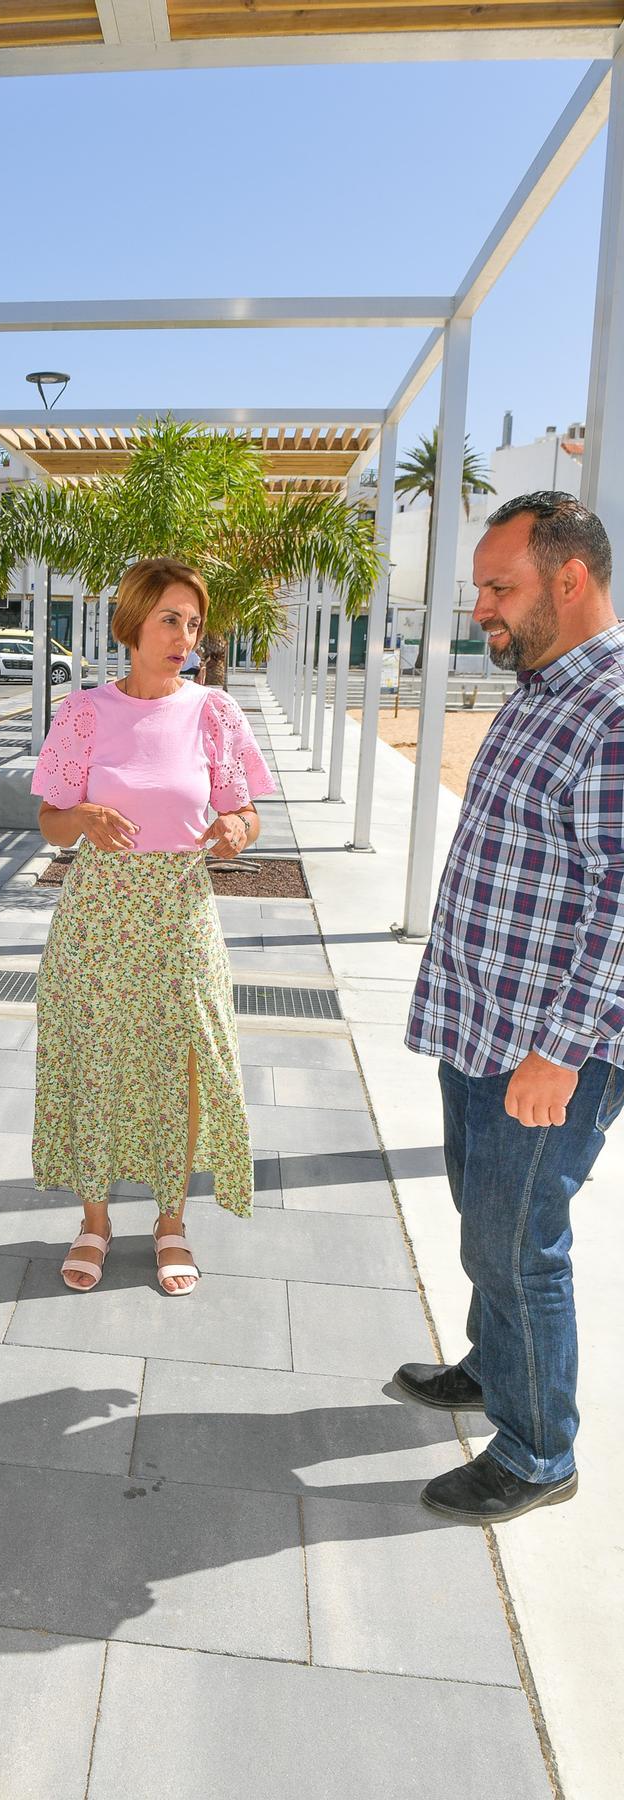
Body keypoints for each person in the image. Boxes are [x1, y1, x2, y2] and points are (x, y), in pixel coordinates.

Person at [397, 491, 624, 1524]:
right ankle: (497, 1367)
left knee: (518, 1235)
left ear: (570, 580)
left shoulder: (614, 708)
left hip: (550, 1046)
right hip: (485, 1023)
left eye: (501, 587)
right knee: (483, 1217)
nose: (482, 607)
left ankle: (539, 1453)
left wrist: (562, 1052)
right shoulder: (540, 687)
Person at [30, 557, 275, 1295]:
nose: (185, 638)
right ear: (131, 622)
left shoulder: (214, 712)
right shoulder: (82, 713)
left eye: (194, 624)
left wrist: (237, 828)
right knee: (94, 1058)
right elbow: (49, 822)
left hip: (180, 911)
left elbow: (247, 813)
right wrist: (81, 818)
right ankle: (94, 1220)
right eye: (170, 619)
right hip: (99, 916)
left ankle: (172, 1220)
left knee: (188, 1059)